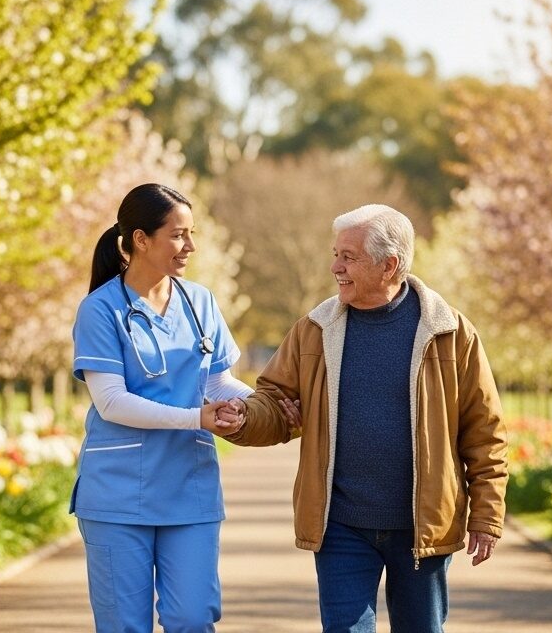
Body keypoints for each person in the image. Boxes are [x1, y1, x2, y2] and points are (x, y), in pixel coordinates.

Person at [218, 203, 508, 633]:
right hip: (340, 524)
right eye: (335, 254)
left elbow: (484, 432)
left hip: (420, 527)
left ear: (389, 265)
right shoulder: (314, 329)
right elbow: (275, 401)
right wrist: (243, 417)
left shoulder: (451, 333)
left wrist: (486, 515)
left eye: (348, 257)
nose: (335, 267)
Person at [70, 183, 295, 633]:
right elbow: (111, 402)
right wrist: (197, 417)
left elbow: (215, 380)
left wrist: (258, 406)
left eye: (191, 234)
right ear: (140, 239)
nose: (189, 246)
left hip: (188, 489)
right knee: (124, 626)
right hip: (118, 495)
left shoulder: (199, 302)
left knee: (193, 618)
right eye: (178, 235)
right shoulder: (101, 310)